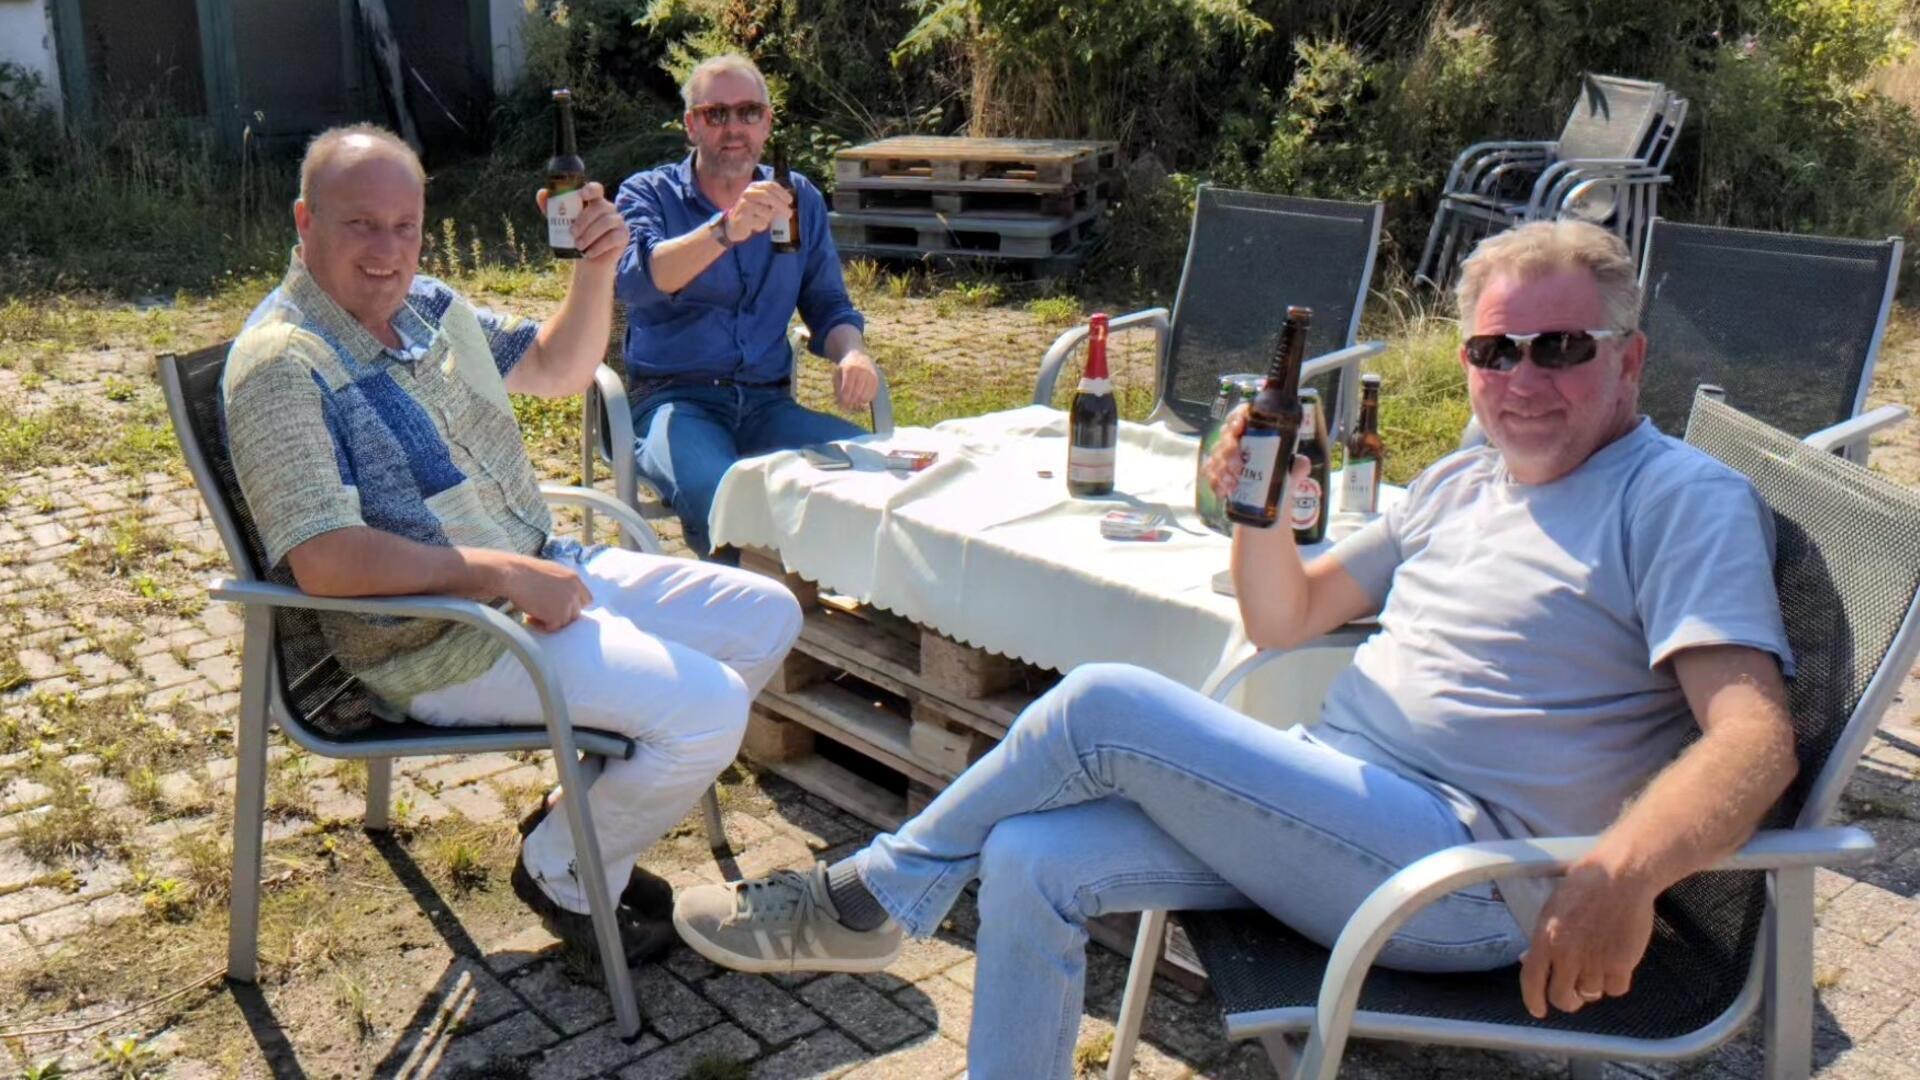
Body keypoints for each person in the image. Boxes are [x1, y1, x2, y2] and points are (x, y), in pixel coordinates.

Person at [668, 220, 1801, 1078]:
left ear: (1630, 359)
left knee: (1104, 702)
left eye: (1560, 346)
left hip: (1469, 877)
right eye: (1493, 350)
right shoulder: (1465, 477)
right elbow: (1288, 619)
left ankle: (873, 894)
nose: (1521, 379)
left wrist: (1622, 870)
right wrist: (1258, 519)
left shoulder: (1677, 499)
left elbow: (1754, 739)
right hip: (1341, 807)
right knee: (1028, 857)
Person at [222, 124, 803, 960]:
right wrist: (503, 573)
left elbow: (559, 368)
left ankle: (576, 827)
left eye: (407, 225)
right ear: (305, 222)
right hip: (441, 640)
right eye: (361, 225)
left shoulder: (425, 307)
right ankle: (565, 866)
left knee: (765, 616)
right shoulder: (285, 363)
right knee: (708, 710)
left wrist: (597, 267)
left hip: (538, 573)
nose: (390, 251)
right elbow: (325, 558)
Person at [613, 53, 882, 558]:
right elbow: (638, 280)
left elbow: (827, 303)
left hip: (767, 405)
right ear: (692, 125)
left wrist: (852, 353)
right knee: (722, 497)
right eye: (716, 114)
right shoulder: (648, 193)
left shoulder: (797, 198)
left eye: (748, 112)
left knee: (873, 469)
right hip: (676, 402)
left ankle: (836, 622)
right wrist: (725, 230)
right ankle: (735, 622)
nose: (733, 128)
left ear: (767, 123)